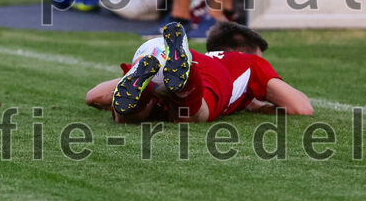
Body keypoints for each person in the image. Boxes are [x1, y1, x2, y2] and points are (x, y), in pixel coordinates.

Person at [84, 21, 313, 124]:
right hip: (212, 76)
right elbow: (301, 108)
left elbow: (96, 97)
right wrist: (258, 105)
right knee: (188, 116)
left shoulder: (201, 56)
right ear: (243, 50)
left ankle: (147, 90)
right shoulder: (250, 62)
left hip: (189, 59)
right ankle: (185, 84)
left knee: (127, 116)